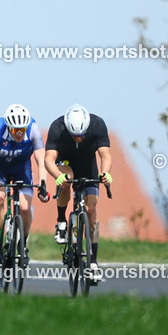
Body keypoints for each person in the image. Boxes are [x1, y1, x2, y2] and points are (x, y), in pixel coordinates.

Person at [45, 105, 113, 283]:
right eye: (74, 135)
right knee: (67, 179)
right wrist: (58, 176)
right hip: (66, 162)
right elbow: (49, 160)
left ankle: (93, 261)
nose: (78, 138)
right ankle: (61, 221)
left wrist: (105, 173)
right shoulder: (57, 127)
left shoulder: (97, 124)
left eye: (82, 135)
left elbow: (105, 155)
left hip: (88, 165)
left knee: (91, 210)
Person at [0, 103, 49, 264]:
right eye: (15, 130)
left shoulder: (33, 129)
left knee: (25, 208)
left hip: (21, 169)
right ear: (8, 127)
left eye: (22, 129)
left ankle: (23, 244)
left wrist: (43, 185)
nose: (19, 134)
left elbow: (42, 161)